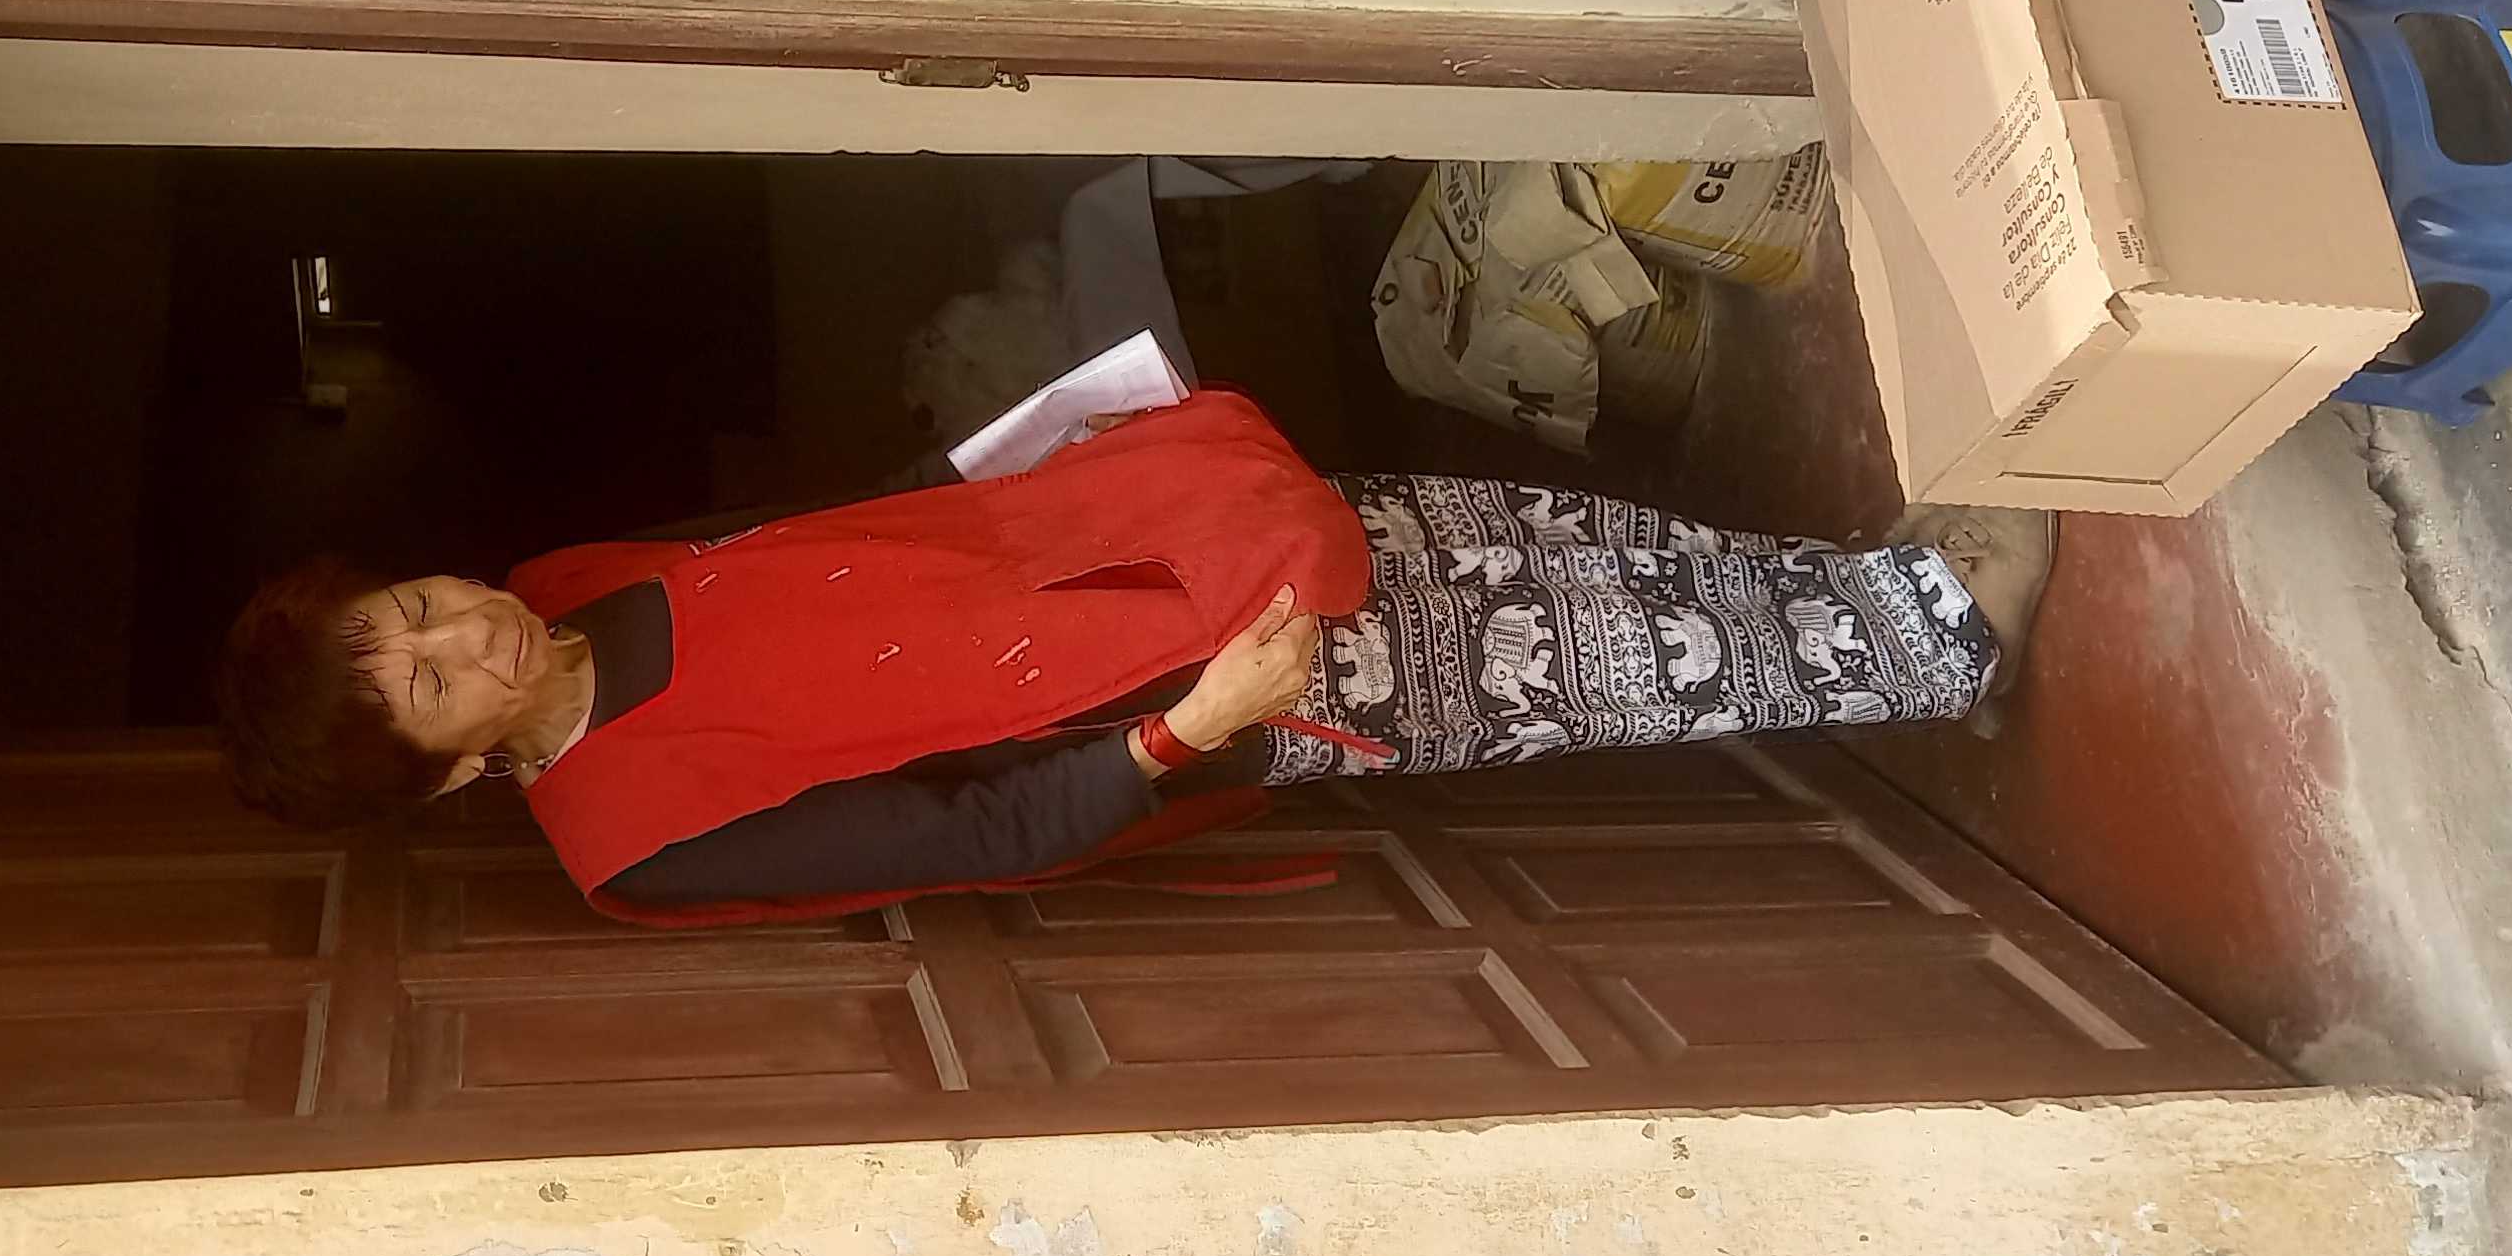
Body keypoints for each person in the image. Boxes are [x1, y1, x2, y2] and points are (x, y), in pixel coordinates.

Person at [213, 390, 2037, 926]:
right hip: (1213, 681)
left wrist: (1063, 444)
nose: (459, 631)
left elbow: (863, 529)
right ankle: (1936, 643)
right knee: (1596, 658)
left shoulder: (572, 575)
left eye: (410, 611)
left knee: (1555, 540)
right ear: (451, 774)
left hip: (1160, 533)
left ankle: (1878, 582)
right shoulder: (634, 833)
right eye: (429, 683)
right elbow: (971, 835)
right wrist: (1195, 729)